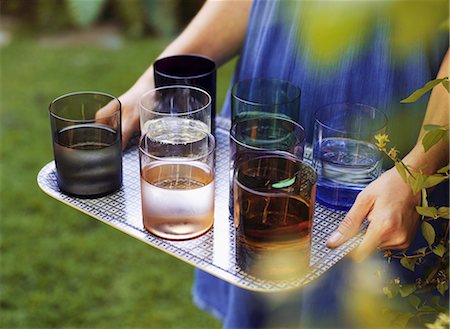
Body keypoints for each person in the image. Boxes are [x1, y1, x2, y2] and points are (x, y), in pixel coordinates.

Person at [107, 1, 449, 327]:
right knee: (259, 259)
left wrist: (418, 168)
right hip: (268, 94)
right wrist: (158, 84)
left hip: (400, 127)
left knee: (365, 304)